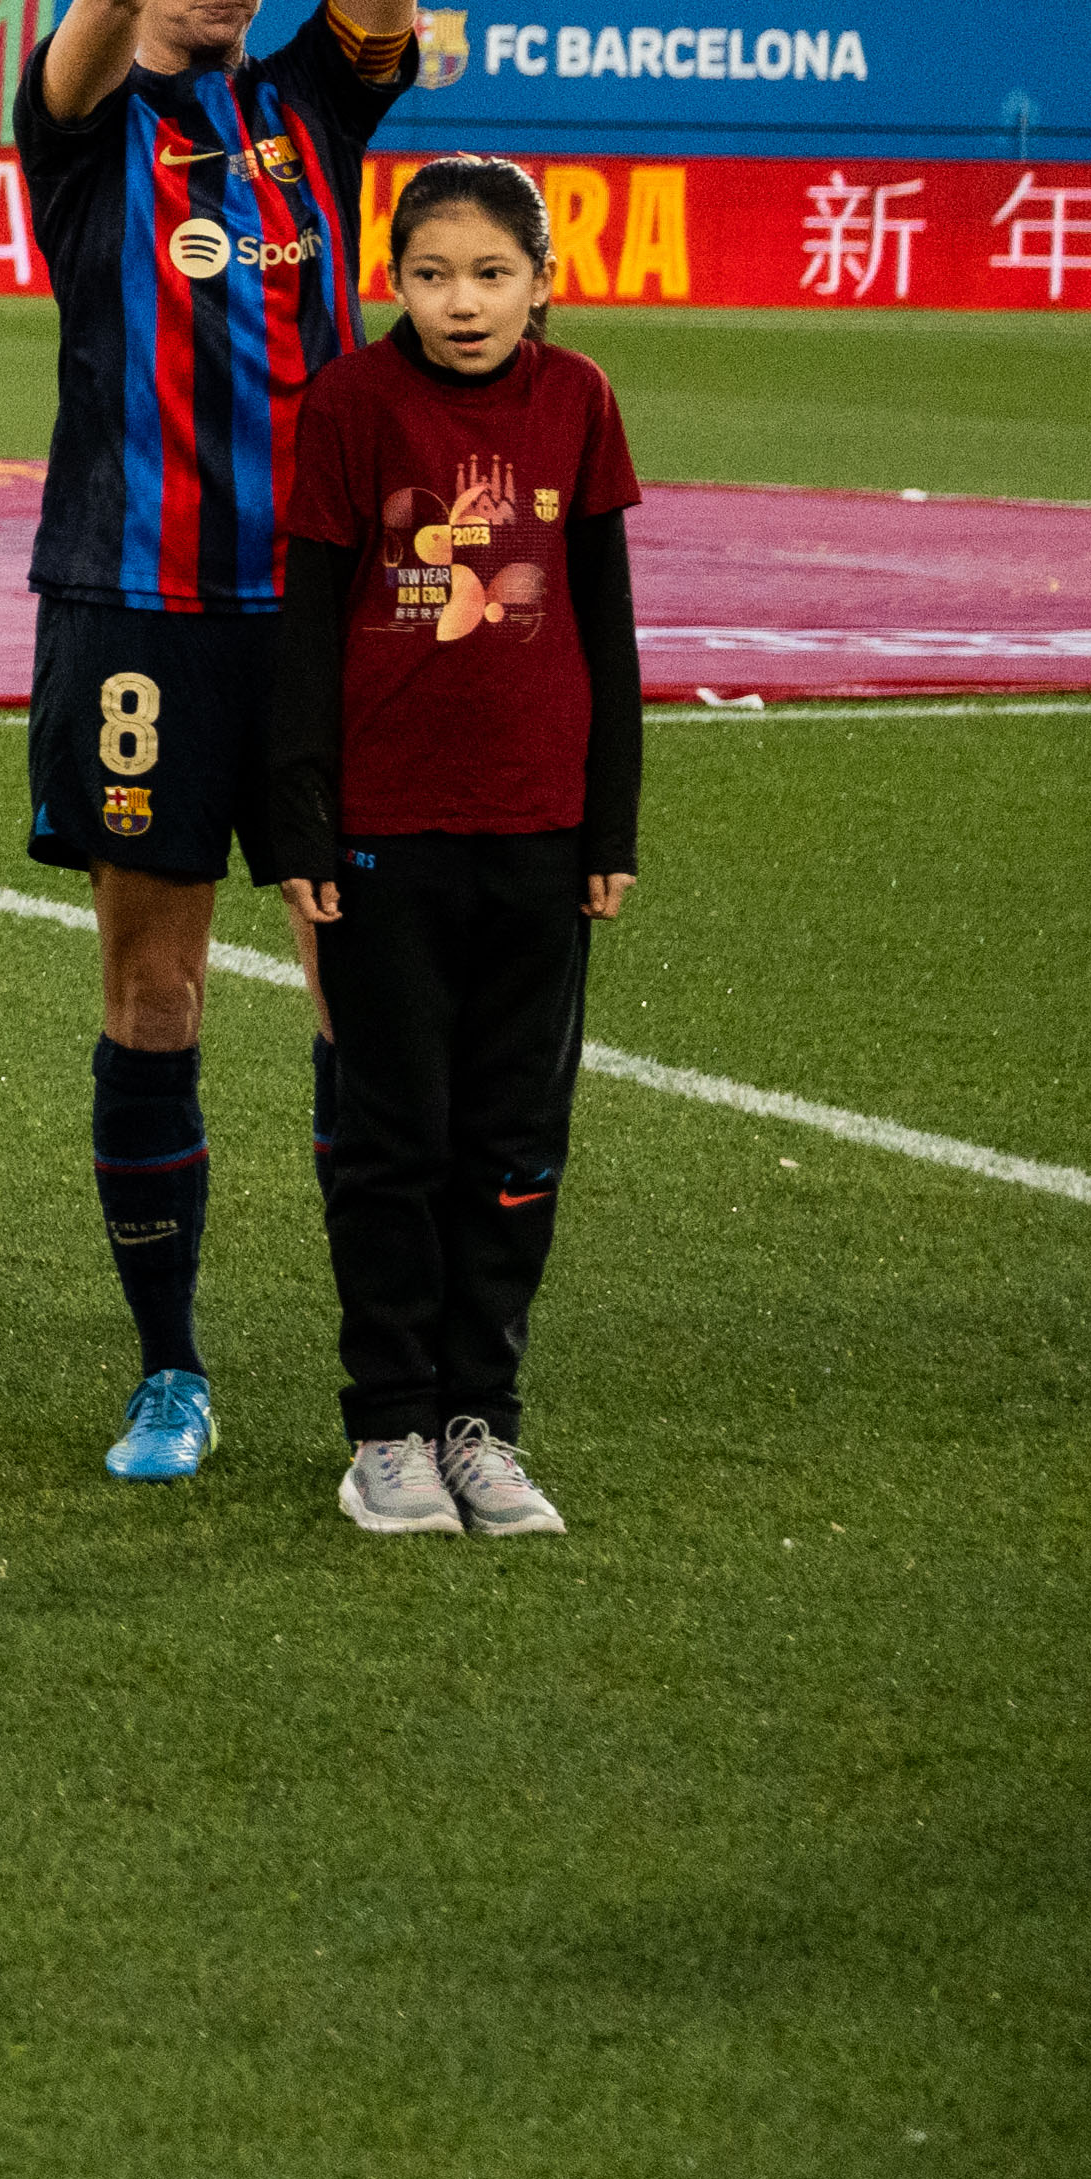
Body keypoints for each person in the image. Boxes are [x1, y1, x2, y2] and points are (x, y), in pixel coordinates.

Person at [13, 0, 434, 1486]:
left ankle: (389, 1355)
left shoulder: (311, 116)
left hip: (322, 621)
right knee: (154, 982)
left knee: (357, 974)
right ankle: (168, 1364)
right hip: (137, 611)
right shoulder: (86, 124)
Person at [268, 163, 637, 1541]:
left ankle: (483, 1422)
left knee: (512, 1140)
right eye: (432, 275)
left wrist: (611, 823)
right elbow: (306, 623)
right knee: (393, 1139)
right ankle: (387, 1431)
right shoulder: (354, 406)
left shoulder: (580, 399)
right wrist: (300, 814)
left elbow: (607, 622)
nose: (462, 302)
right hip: (383, 837)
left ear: (544, 281)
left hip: (539, 836)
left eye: (491, 274)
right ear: (392, 281)